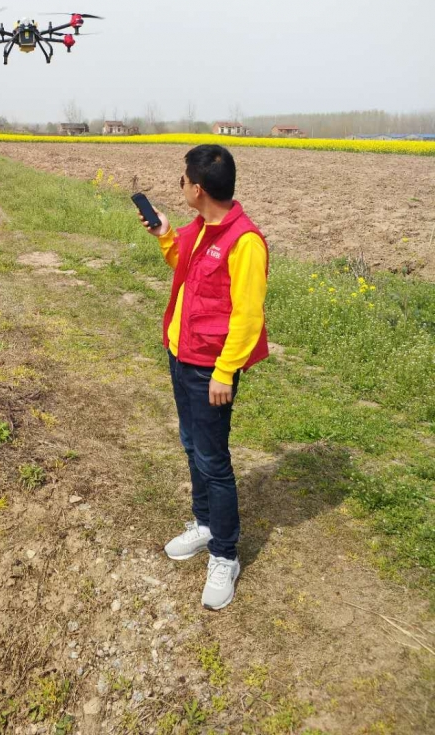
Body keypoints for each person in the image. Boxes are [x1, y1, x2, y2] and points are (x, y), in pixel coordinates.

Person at [138, 144, 268, 610]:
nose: (181, 186)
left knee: (214, 460)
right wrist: (165, 236)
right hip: (181, 355)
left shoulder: (245, 241)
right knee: (192, 445)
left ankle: (225, 554)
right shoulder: (199, 228)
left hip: (210, 368)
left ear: (198, 189)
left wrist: (225, 372)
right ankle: (205, 524)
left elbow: (248, 317)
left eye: (183, 180)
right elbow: (186, 267)